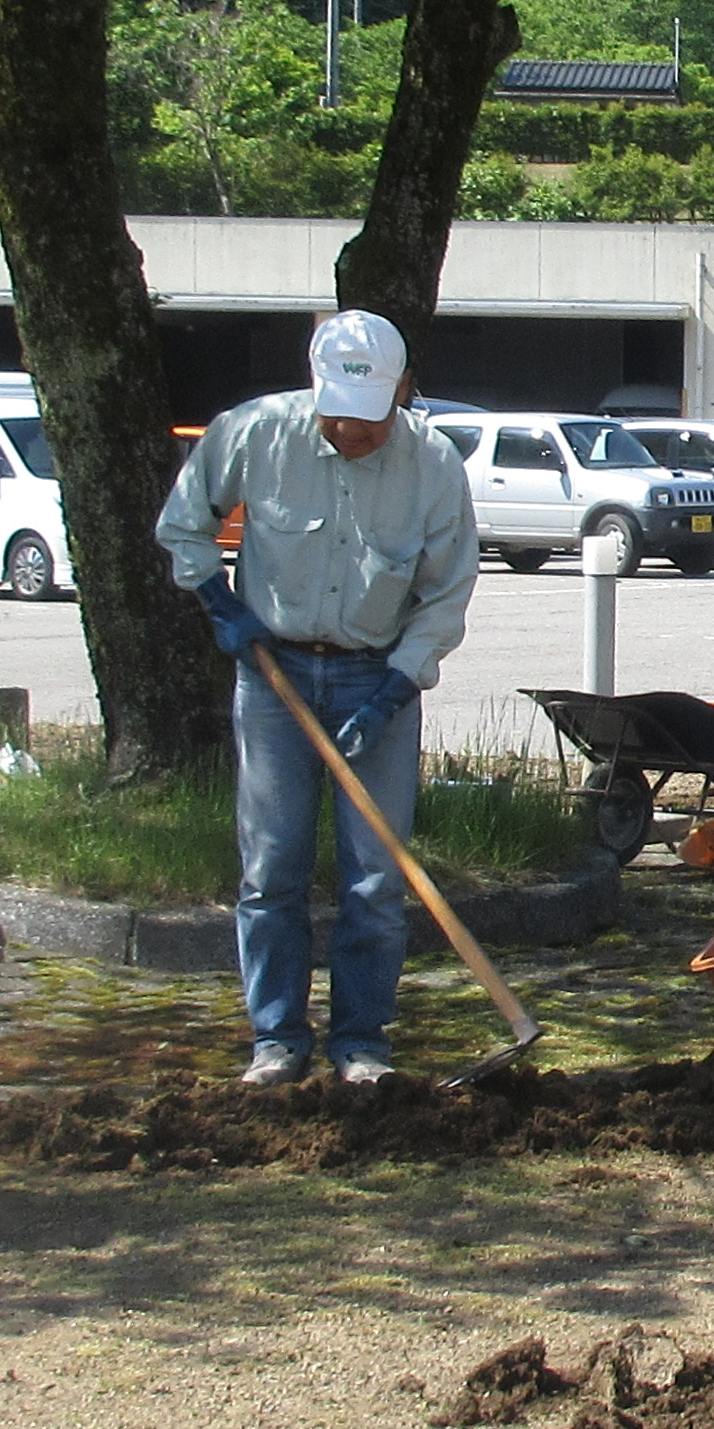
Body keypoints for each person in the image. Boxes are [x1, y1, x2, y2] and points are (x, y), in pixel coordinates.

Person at [156, 308, 480, 1090]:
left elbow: (445, 593)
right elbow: (184, 522)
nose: (350, 431)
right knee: (272, 869)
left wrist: (400, 682)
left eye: (368, 418)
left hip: (377, 679)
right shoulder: (257, 434)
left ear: (403, 389)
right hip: (275, 677)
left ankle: (361, 1041)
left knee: (375, 877)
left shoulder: (433, 467)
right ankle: (276, 1039)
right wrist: (217, 601)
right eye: (336, 414)